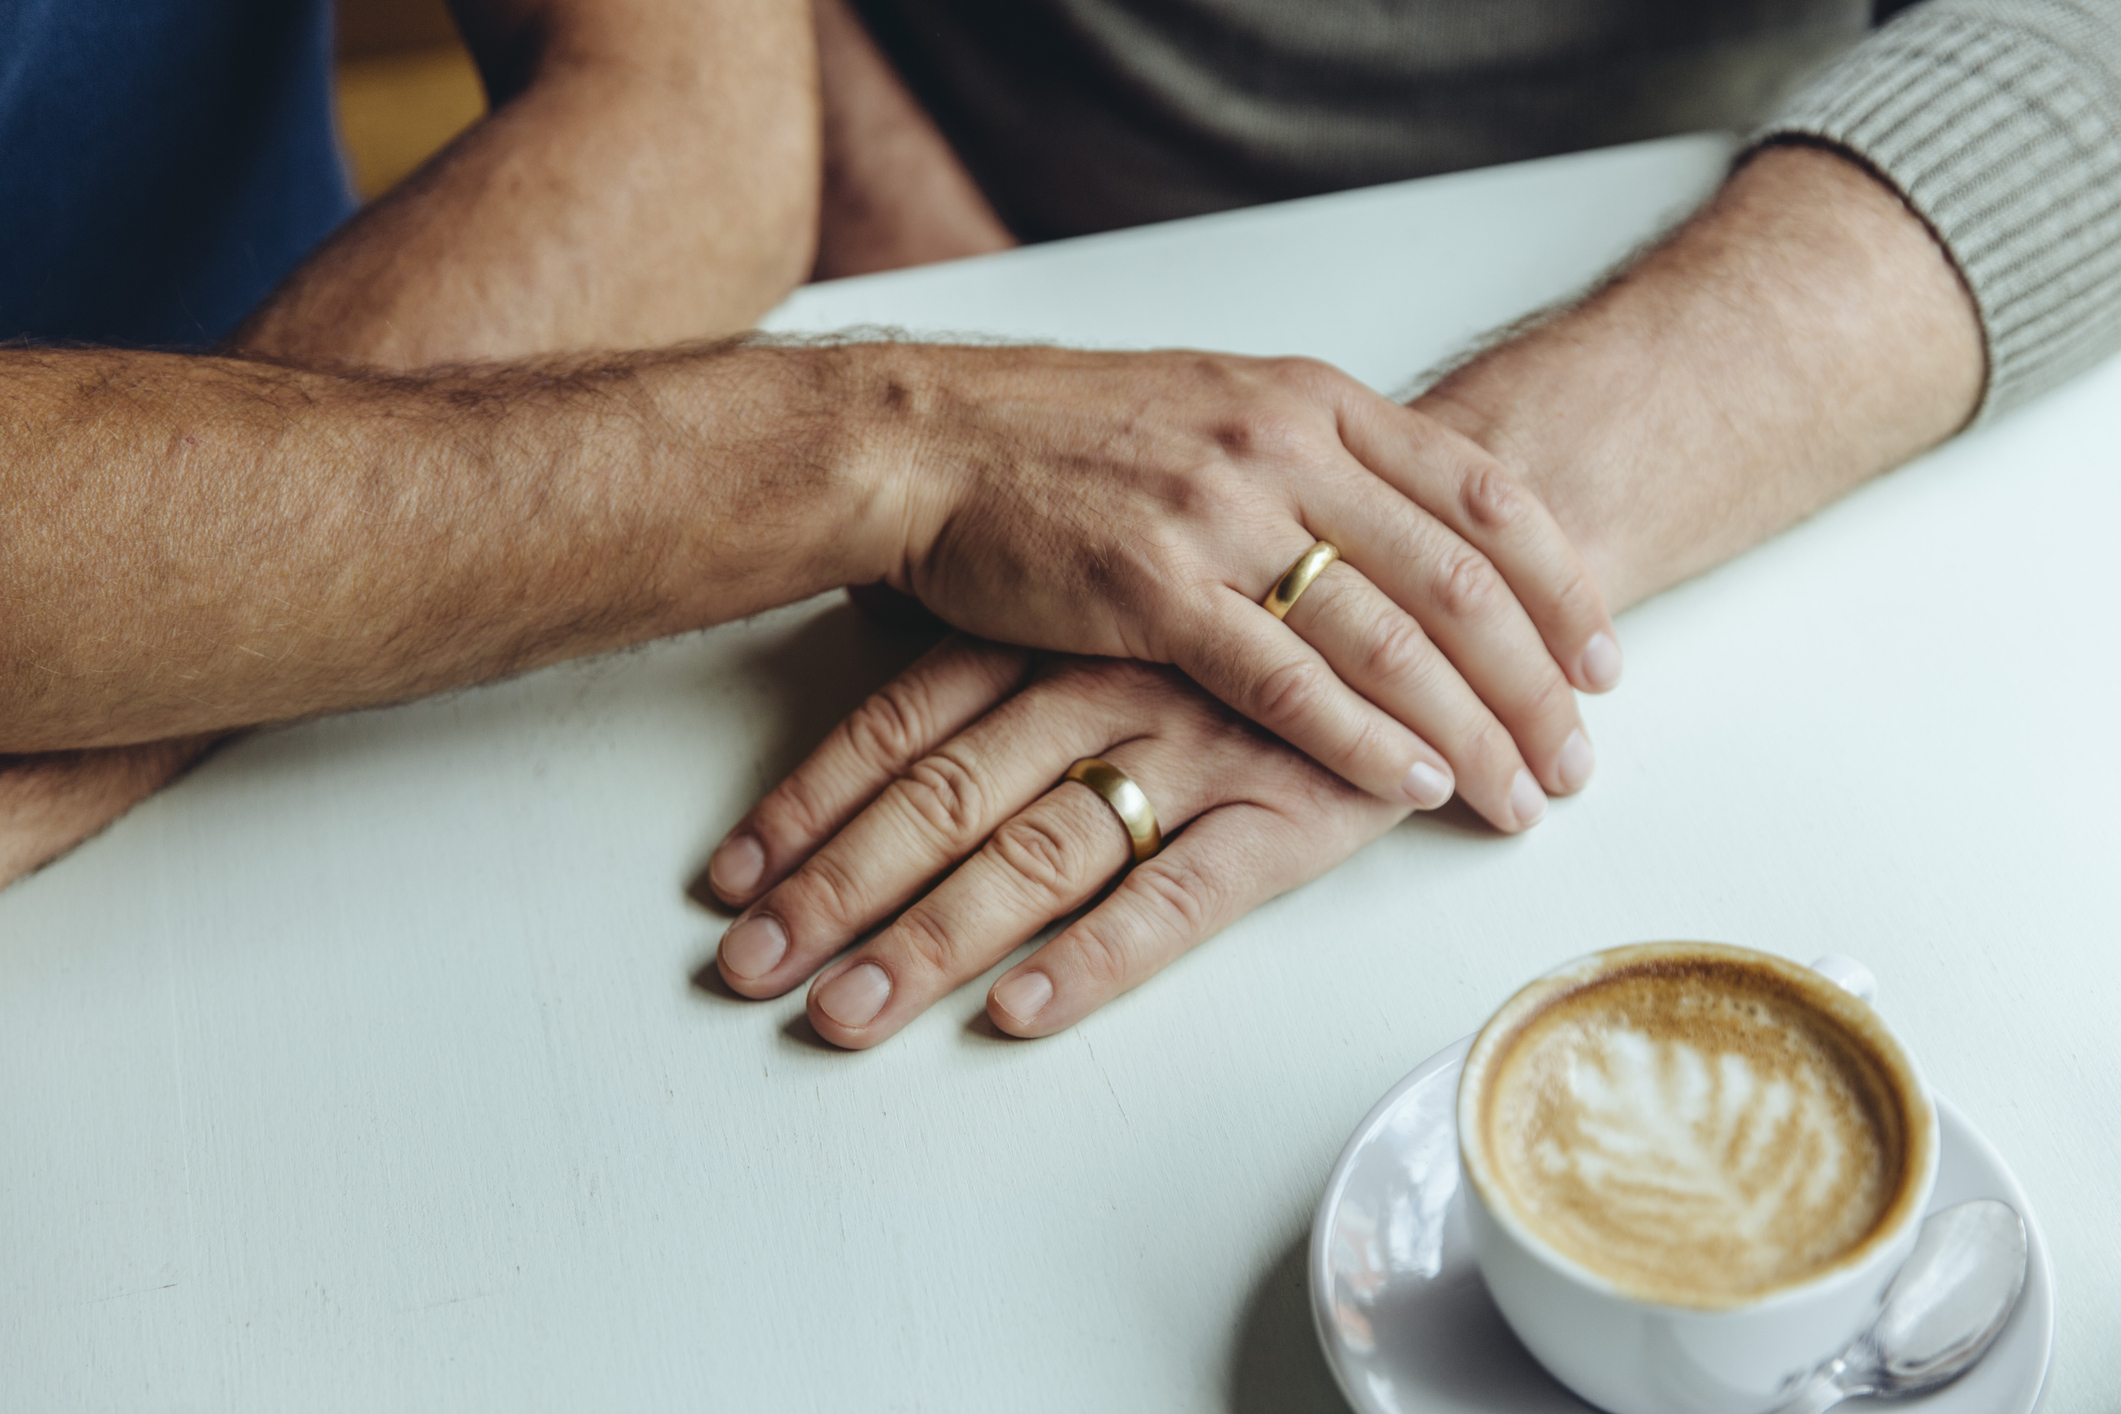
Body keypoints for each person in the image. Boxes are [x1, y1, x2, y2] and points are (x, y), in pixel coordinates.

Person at [7, 1, 2118, 1050]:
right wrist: (923, 401)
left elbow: (675, 93)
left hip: (1600, 346)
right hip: (893, 413)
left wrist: (1417, 521)